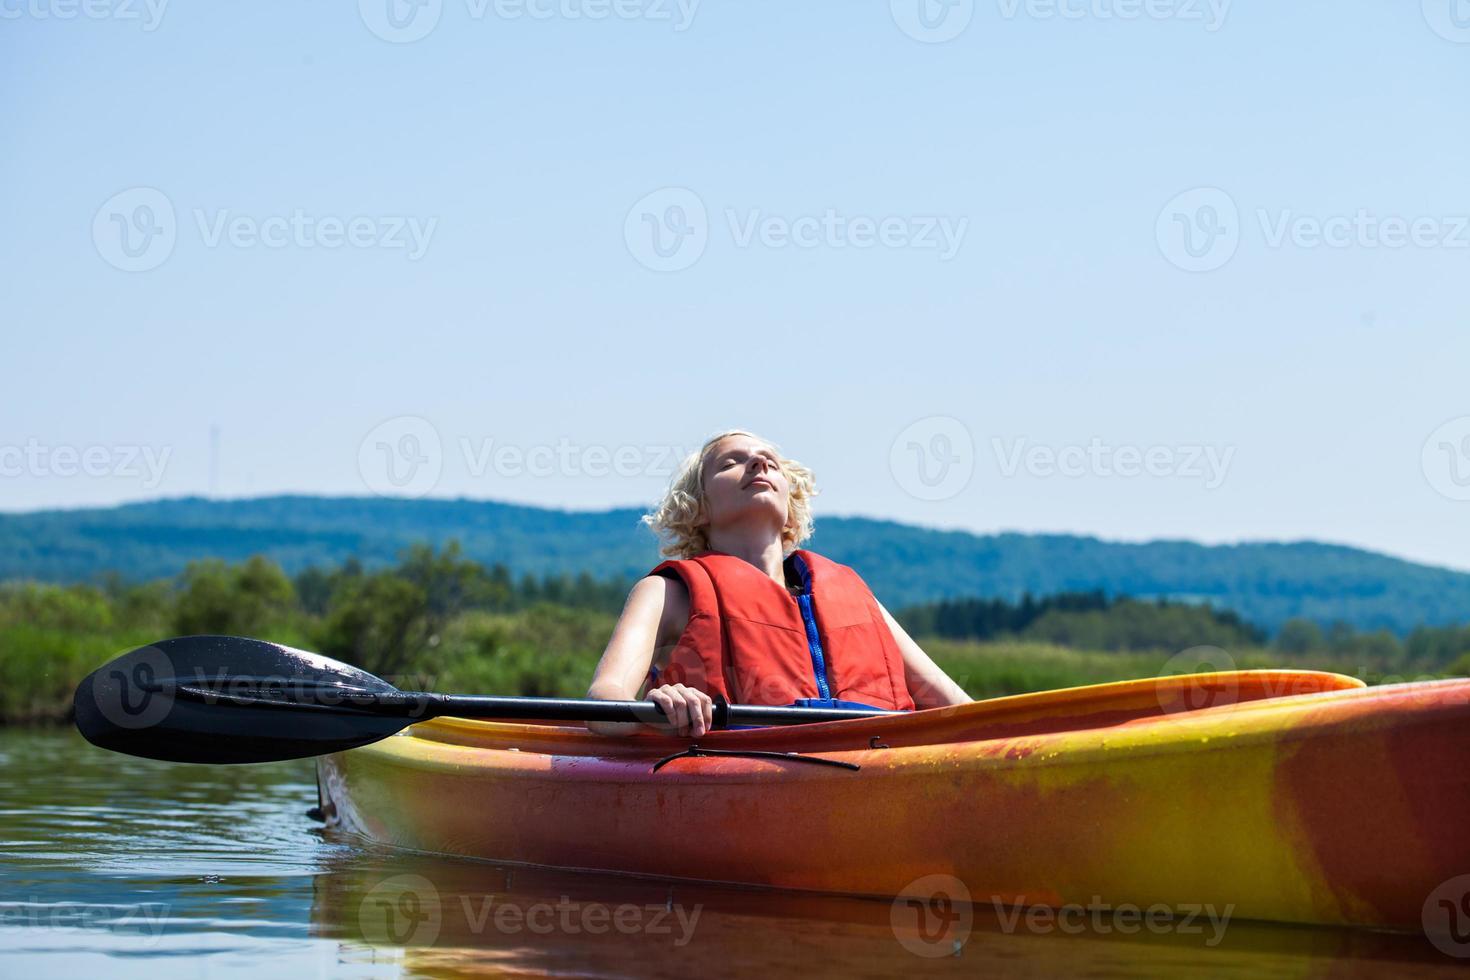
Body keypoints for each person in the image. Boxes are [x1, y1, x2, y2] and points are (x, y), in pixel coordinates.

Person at [586, 429, 971, 737]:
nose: (758, 462)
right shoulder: (668, 592)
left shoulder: (856, 597)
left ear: (791, 505)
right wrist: (660, 706)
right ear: (697, 508)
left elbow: (958, 709)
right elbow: (603, 704)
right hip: (738, 768)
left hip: (873, 767)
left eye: (770, 462)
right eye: (731, 463)